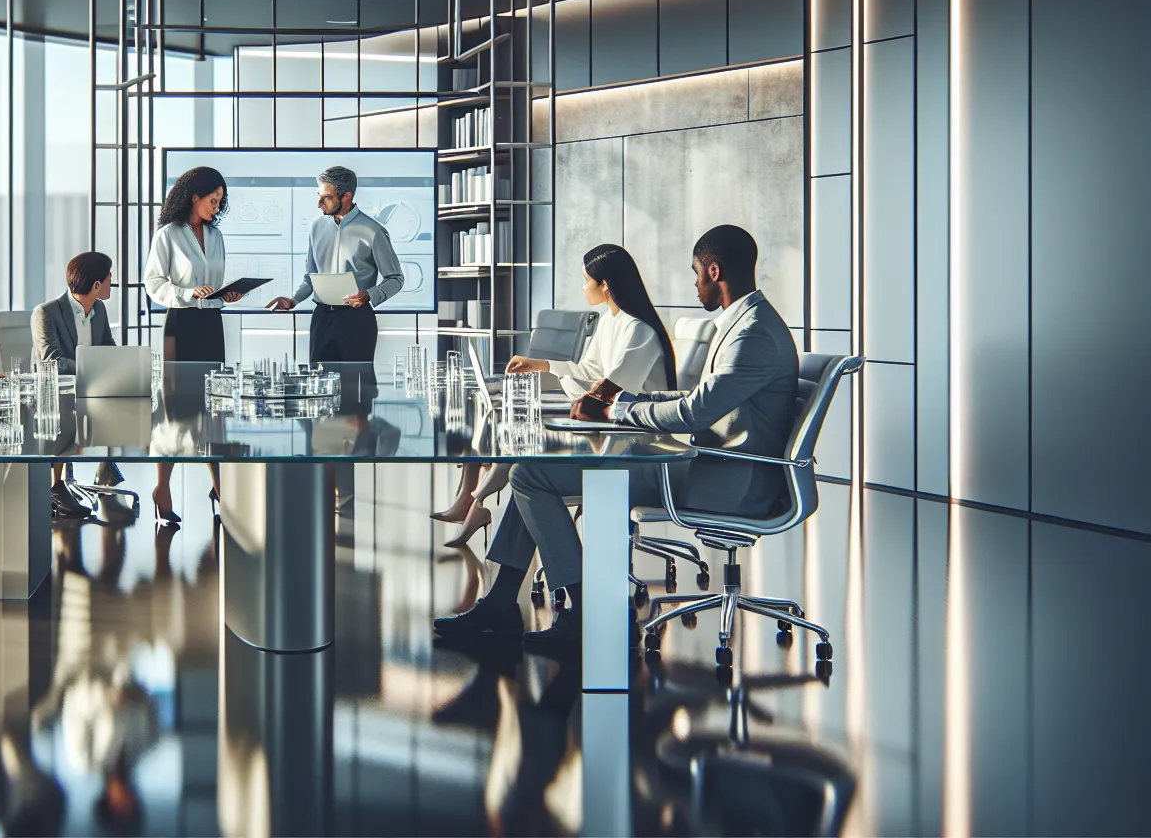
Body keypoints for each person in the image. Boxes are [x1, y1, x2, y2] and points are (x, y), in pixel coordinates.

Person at [433, 225, 799, 656]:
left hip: (726, 481)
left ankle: (592, 613)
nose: (694, 282)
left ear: (714, 270)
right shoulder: (746, 322)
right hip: (712, 466)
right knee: (528, 471)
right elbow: (694, 399)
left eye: (697, 272)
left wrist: (616, 409)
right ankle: (501, 604)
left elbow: (695, 412)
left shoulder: (751, 333)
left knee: (531, 475)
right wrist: (627, 399)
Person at [432, 243, 677, 546]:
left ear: (606, 286)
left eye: (587, 280)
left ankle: (476, 502)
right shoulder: (610, 320)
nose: (583, 286)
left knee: (524, 448)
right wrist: (543, 365)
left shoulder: (639, 331)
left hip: (628, 439)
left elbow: (607, 391)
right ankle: (476, 503)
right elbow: (589, 370)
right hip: (602, 425)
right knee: (517, 436)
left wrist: (559, 384)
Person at [144, 167, 240, 524]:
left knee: (215, 407)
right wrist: (186, 293)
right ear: (193, 197)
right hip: (180, 326)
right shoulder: (168, 235)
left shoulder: (215, 236)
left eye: (220, 202)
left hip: (211, 324)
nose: (216, 208)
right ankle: (162, 487)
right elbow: (153, 283)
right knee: (175, 410)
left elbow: (213, 284)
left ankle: (220, 487)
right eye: (212, 200)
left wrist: (225, 294)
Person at [266, 165, 404, 365]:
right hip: (322, 318)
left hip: (356, 320)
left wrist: (369, 295)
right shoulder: (316, 227)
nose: (319, 203)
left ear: (346, 196)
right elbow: (310, 276)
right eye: (319, 196)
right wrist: (294, 300)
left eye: (326, 197)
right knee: (318, 385)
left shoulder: (373, 231)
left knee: (356, 387)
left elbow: (396, 279)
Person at [32, 250, 128, 519]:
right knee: (71, 407)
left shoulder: (98, 308)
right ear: (97, 285)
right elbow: (51, 362)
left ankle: (106, 465)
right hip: (54, 394)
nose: (112, 281)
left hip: (89, 388)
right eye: (109, 277)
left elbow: (107, 346)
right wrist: (95, 367)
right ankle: (56, 485)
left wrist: (122, 364)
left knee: (123, 395)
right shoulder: (45, 313)